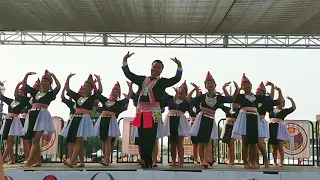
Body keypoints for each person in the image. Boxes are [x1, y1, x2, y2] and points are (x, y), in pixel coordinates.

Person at [122, 51, 182, 168]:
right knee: (141, 136)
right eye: (154, 66)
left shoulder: (162, 82)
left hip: (153, 112)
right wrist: (125, 60)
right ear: (151, 67)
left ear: (161, 71)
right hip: (141, 112)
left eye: (158, 68)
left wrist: (179, 66)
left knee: (150, 137)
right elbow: (129, 75)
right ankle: (145, 160)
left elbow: (176, 79)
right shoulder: (142, 79)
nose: (155, 69)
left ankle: (147, 161)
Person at [189, 72, 233, 169]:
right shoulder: (202, 97)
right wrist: (195, 90)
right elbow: (190, 100)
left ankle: (208, 160)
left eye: (212, 83)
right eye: (208, 83)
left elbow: (230, 99)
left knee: (208, 141)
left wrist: (225, 89)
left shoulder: (218, 98)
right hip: (202, 118)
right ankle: (202, 160)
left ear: (215, 85)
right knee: (201, 141)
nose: (210, 84)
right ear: (205, 85)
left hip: (211, 119)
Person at [232, 73, 273, 169]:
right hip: (244, 117)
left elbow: (269, 99)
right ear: (242, 87)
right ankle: (245, 162)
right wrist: (237, 89)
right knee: (245, 142)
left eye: (248, 84)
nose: (247, 86)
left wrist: (273, 87)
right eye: (245, 85)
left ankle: (253, 162)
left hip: (254, 118)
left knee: (254, 142)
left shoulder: (256, 97)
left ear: (251, 85)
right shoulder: (241, 96)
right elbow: (234, 99)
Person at [21, 70, 61, 167]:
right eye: (42, 81)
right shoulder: (35, 92)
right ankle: (38, 161)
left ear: (49, 84)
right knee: (32, 140)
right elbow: (24, 85)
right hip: (33, 114)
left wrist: (54, 76)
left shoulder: (50, 94)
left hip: (42, 115)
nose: (43, 83)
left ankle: (29, 161)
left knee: (36, 139)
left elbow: (59, 87)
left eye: (46, 81)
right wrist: (26, 75)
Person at [62, 74, 102, 168]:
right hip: (76, 118)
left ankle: (72, 161)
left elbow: (100, 91)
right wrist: (68, 78)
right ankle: (81, 162)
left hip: (84, 119)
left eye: (87, 86)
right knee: (77, 141)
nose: (85, 88)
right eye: (84, 86)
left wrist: (99, 80)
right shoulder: (78, 97)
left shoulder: (92, 98)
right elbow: (68, 89)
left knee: (79, 140)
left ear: (91, 89)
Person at [94, 81, 132, 166]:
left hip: (110, 122)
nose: (114, 93)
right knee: (103, 140)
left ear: (118, 95)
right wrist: (98, 81)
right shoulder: (105, 101)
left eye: (116, 92)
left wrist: (130, 86)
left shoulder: (118, 103)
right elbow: (98, 94)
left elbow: (129, 97)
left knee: (108, 140)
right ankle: (105, 158)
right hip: (102, 120)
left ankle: (107, 159)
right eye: (113, 91)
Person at [163, 81, 193, 167]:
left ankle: (181, 161)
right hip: (170, 118)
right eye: (180, 89)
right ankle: (173, 161)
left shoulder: (187, 102)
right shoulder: (171, 98)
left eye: (183, 90)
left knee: (179, 142)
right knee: (172, 142)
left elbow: (193, 110)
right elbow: (162, 91)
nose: (181, 91)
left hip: (180, 120)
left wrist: (187, 97)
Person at [269, 95, 296, 167]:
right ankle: (274, 161)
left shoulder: (284, 111)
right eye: (280, 101)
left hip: (279, 128)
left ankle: (281, 161)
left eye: (282, 102)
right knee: (274, 147)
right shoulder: (271, 109)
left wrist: (291, 99)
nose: (281, 103)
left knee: (280, 146)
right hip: (271, 127)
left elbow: (293, 108)